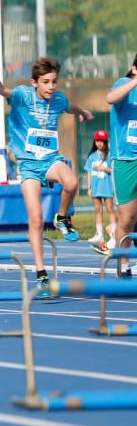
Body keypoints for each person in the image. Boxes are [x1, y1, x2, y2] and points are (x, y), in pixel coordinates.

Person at [0, 57, 92, 285]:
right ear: (35, 83)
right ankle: (41, 272)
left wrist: (81, 111)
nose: (51, 87)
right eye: (46, 82)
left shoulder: (59, 98)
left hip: (51, 159)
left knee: (71, 183)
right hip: (28, 165)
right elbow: (2, 90)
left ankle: (62, 218)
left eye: (54, 81)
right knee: (35, 219)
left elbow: (69, 107)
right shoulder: (23, 96)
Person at [107, 55, 137, 276]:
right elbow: (111, 98)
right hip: (126, 161)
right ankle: (123, 267)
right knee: (127, 218)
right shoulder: (122, 84)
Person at [84, 130, 116, 248]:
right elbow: (88, 172)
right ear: (95, 141)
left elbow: (114, 170)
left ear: (106, 142)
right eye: (98, 141)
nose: (100, 143)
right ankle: (99, 234)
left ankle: (113, 233)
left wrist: (104, 169)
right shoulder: (91, 156)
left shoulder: (110, 155)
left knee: (110, 209)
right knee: (98, 209)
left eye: (102, 141)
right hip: (95, 187)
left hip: (107, 187)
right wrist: (89, 188)